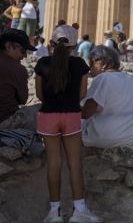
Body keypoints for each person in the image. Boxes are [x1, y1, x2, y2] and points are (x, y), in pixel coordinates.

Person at [35, 24, 102, 223]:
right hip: (72, 115)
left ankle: (54, 212)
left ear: (51, 44)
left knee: (54, 164)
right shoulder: (81, 65)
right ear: (74, 46)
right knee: (74, 163)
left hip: (48, 115)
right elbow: (82, 94)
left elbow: (39, 94)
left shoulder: (42, 64)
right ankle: (79, 210)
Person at [81, 45, 133, 148]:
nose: (90, 69)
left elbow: (86, 113)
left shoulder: (102, 78)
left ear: (103, 63)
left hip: (108, 137)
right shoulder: (130, 79)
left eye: (92, 63)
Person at [0, 29, 35, 127]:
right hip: (4, 122)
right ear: (8, 46)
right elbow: (23, 99)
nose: (24, 56)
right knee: (41, 111)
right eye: (23, 51)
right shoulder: (17, 68)